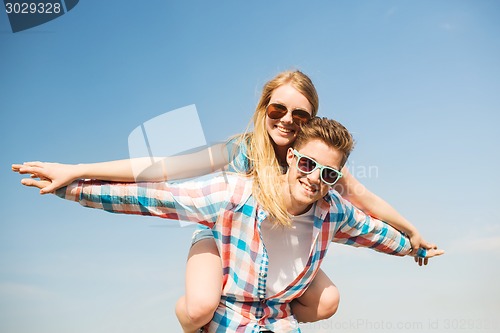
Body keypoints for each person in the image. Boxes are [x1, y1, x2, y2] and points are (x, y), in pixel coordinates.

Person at [12, 70, 435, 332]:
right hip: (220, 232)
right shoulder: (238, 153)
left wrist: (412, 233)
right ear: (264, 109)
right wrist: (77, 170)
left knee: (326, 301)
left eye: (300, 115)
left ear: (312, 122)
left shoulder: (321, 168)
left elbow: (366, 208)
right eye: (278, 109)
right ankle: (201, 326)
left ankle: (267, 311)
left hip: (282, 249)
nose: (287, 120)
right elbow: (159, 173)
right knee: (199, 306)